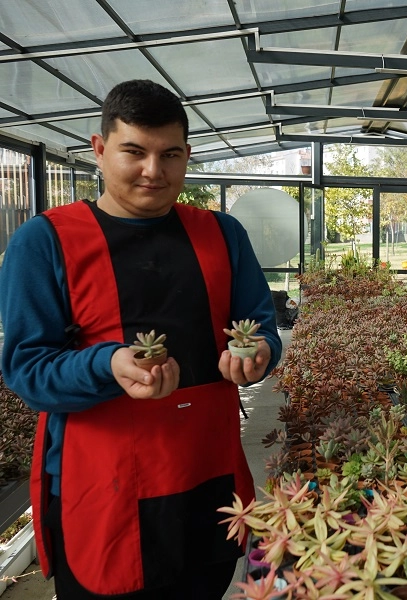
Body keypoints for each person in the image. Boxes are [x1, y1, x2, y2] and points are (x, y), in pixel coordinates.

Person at [0, 79, 282, 599]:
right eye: (135, 151)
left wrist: (260, 353)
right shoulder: (46, 241)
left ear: (187, 156)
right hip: (102, 491)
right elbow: (27, 370)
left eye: (170, 154)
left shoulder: (223, 235)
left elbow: (261, 325)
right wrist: (106, 365)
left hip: (208, 474)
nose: (154, 171)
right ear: (100, 149)